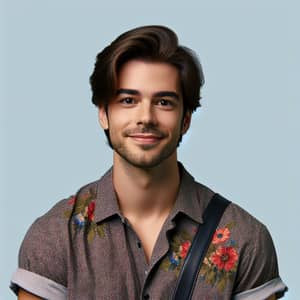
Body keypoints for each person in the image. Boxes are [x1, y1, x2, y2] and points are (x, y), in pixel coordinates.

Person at [11, 25, 287, 299]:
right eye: (128, 100)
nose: (146, 117)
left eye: (164, 102)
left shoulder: (246, 239)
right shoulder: (55, 236)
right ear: (104, 114)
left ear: (186, 119)